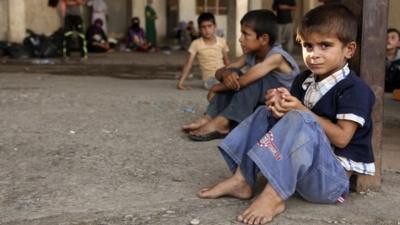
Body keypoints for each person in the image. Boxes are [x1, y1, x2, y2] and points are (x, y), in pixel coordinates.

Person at [196, 4, 375, 225]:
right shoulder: (304, 80)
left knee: (301, 117)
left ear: (349, 49)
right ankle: (242, 179)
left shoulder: (354, 89)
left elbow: (341, 137)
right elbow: (290, 119)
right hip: (301, 172)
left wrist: (299, 110)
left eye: (325, 46)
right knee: (264, 112)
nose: (314, 54)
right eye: (308, 46)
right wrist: (278, 103)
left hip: (329, 182)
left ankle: (273, 197)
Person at [183, 10, 299, 142]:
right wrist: (226, 74)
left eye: (245, 34)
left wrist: (216, 88)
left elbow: (243, 82)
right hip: (262, 103)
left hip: (282, 107)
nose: (240, 39)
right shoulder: (251, 54)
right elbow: (221, 71)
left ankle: (223, 123)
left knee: (251, 80)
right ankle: (210, 117)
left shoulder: (276, 57)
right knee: (234, 73)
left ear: (264, 39)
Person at [177, 12, 230, 90]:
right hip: (209, 80)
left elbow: (227, 62)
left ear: (215, 26)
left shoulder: (222, 41)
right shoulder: (196, 44)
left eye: (209, 26)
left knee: (240, 76)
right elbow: (189, 63)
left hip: (223, 75)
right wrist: (180, 83)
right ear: (199, 29)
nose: (207, 30)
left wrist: (231, 73)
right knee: (229, 84)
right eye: (203, 27)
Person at [385, 28, 400, 92]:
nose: (388, 40)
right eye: (386, 37)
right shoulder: (376, 58)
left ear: (399, 43)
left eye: (393, 38)